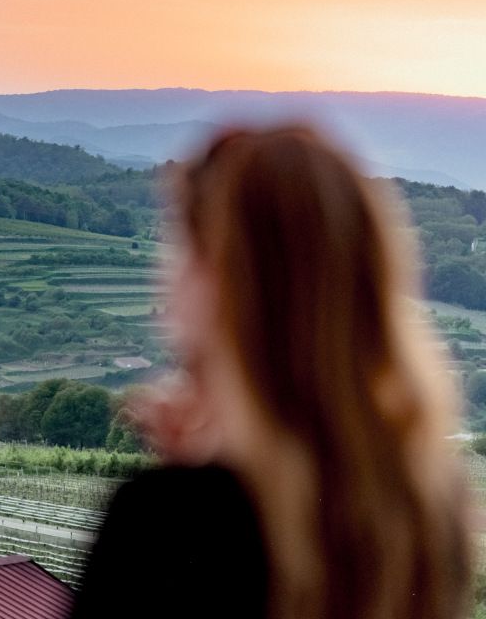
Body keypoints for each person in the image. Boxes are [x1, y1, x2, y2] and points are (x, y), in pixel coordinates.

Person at [73, 125, 472, 619]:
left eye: (183, 248)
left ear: (221, 281)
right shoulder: (424, 504)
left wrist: (181, 484)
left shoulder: (165, 518)